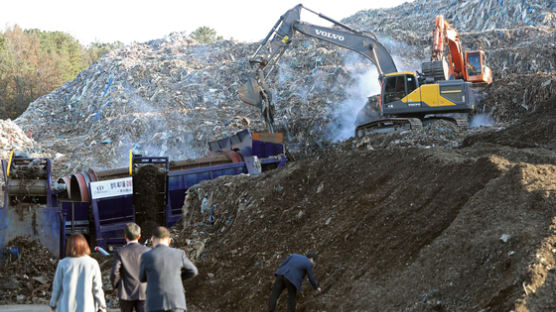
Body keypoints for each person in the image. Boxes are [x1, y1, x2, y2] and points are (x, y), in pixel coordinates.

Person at [139, 226, 198, 312]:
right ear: (169, 240)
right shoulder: (179, 254)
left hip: (154, 304)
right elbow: (193, 271)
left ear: (153, 240)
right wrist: (177, 277)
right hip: (176, 303)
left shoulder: (146, 256)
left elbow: (142, 278)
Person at [49, 233, 106, 312]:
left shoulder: (63, 263)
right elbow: (97, 288)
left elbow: (57, 287)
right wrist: (102, 305)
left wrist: (53, 304)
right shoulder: (92, 263)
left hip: (66, 307)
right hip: (87, 308)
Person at [110, 223, 151, 312]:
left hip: (125, 292)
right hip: (144, 291)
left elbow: (114, 272)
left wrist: (116, 286)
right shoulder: (147, 251)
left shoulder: (120, 252)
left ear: (125, 236)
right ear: (139, 236)